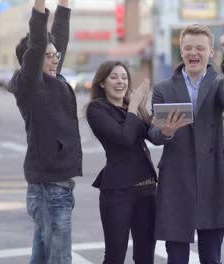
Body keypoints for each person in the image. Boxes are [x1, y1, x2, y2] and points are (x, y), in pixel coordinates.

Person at [148, 24, 224, 263]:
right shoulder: (163, 89)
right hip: (176, 177)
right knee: (176, 256)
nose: (194, 53)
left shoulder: (218, 83)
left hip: (213, 174)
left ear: (211, 52)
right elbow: (153, 133)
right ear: (181, 52)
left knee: (211, 256)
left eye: (200, 48)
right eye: (188, 48)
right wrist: (166, 132)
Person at [8, 0, 82, 263]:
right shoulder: (31, 86)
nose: (55, 59)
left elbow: (58, 35)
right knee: (59, 259)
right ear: (32, 60)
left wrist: (64, 5)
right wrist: (40, 5)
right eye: (48, 56)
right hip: (49, 189)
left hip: (56, 187)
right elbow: (40, 40)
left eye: (56, 56)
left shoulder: (49, 80)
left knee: (41, 258)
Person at [86, 61, 177, 264]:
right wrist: (134, 106)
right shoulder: (96, 110)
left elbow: (154, 137)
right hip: (118, 192)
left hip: (147, 190)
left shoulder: (132, 108)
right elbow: (124, 137)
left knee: (145, 257)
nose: (121, 82)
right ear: (102, 83)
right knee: (115, 256)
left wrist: (166, 130)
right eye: (114, 77)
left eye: (124, 77)